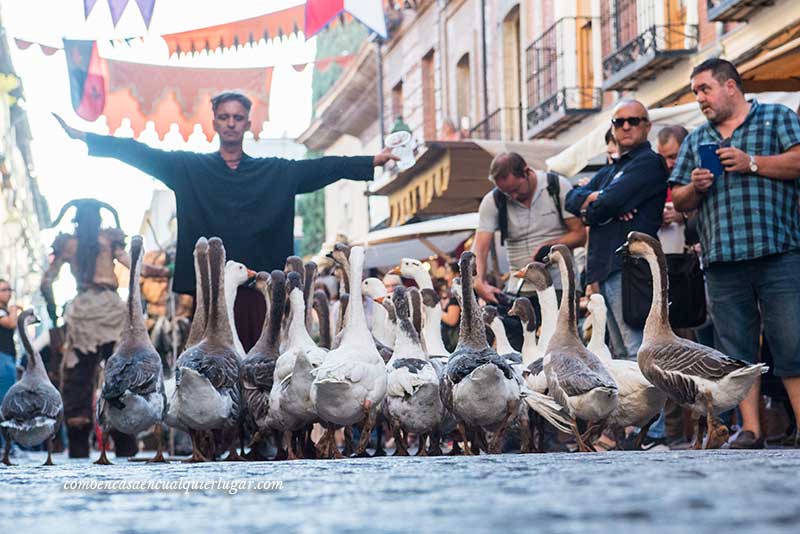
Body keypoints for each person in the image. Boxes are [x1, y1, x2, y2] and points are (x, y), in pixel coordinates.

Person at [53, 91, 397, 351]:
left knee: (261, 357)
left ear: (248, 123)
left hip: (258, 289)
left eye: (237, 117)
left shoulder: (274, 171)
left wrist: (373, 161)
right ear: (215, 122)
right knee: (211, 361)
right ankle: (217, 442)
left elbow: (325, 167)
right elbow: (139, 152)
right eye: (224, 116)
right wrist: (87, 138)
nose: (231, 122)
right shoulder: (188, 169)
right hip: (212, 293)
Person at [670, 58, 800, 449]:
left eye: (704, 89)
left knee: (792, 342)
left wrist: (752, 163)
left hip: (779, 250)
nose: (700, 99)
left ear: (730, 86)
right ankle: (751, 430)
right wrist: (695, 187)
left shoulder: (776, 117)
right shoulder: (696, 140)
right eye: (695, 93)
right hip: (723, 259)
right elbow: (678, 200)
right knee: (737, 352)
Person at [41, 198, 168, 458]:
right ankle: (125, 445)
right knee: (121, 376)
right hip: (110, 312)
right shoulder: (109, 240)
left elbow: (47, 281)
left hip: (83, 313)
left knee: (78, 380)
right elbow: (135, 266)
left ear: (75, 219)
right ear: (99, 218)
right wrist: (165, 271)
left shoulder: (68, 244)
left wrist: (53, 313)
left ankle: (78, 449)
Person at [565, 100, 667, 360]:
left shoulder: (649, 163)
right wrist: (599, 202)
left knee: (637, 351)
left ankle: (654, 403)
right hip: (604, 268)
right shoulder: (611, 170)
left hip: (630, 268)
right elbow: (570, 198)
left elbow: (605, 205)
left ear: (647, 126)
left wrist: (598, 206)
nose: (625, 127)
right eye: (618, 122)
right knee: (619, 353)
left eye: (633, 121)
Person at [474, 152, 585, 348]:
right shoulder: (494, 200)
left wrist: (549, 247)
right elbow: (480, 247)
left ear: (527, 172)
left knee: (562, 348)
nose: (513, 196)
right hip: (520, 288)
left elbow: (580, 234)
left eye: (516, 189)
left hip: (560, 285)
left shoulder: (556, 187)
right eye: (508, 193)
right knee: (520, 351)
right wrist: (479, 282)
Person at [0, 279, 20, 451]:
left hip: (8, 359)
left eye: (9, 289)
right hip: (2, 360)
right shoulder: (2, 312)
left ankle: (7, 444)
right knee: (5, 403)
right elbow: (11, 323)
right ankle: (6, 445)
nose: (8, 293)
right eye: (3, 290)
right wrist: (14, 311)